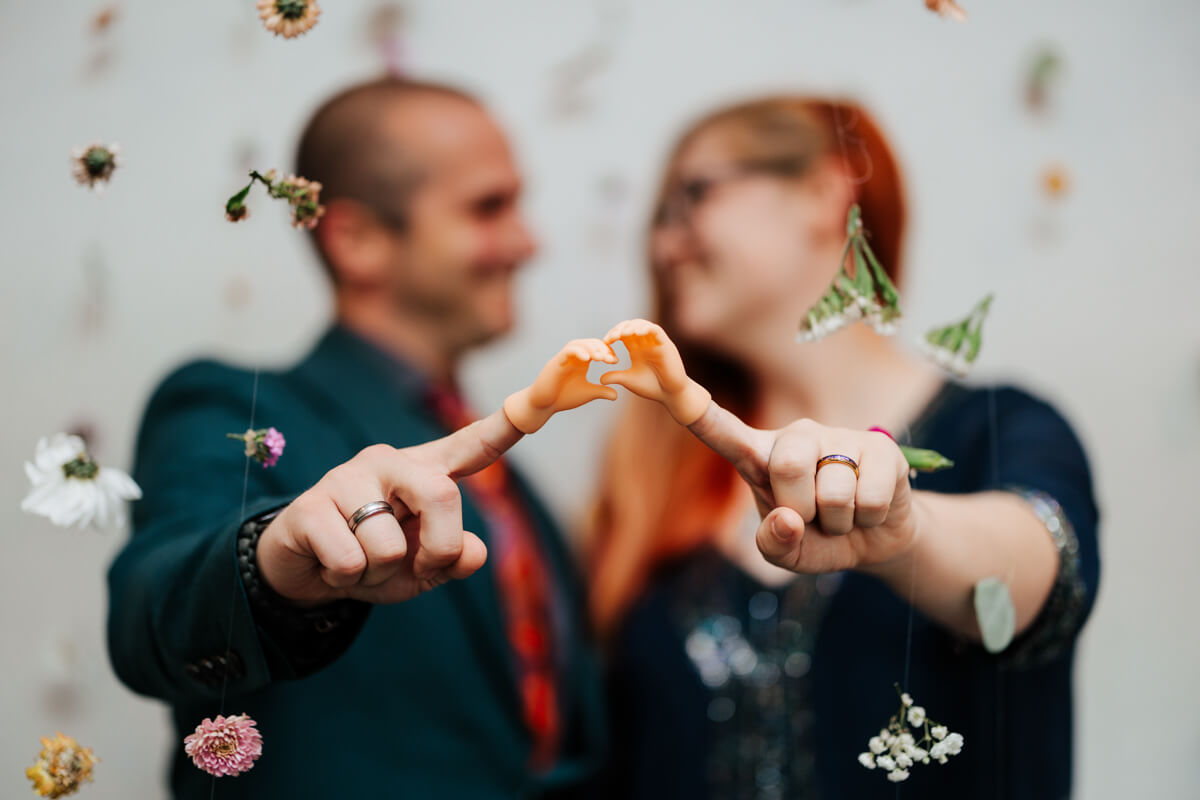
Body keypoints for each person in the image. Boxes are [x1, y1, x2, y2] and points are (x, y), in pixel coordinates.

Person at [106, 77, 610, 799]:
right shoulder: (237, 411)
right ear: (358, 239)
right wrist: (267, 561)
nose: (527, 242)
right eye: (488, 207)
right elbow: (149, 619)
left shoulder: (512, 484)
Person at [588, 97, 1100, 798]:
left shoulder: (998, 428)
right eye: (656, 220)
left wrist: (906, 530)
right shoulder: (658, 481)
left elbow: (1044, 570)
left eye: (692, 197)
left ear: (825, 195)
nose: (663, 246)